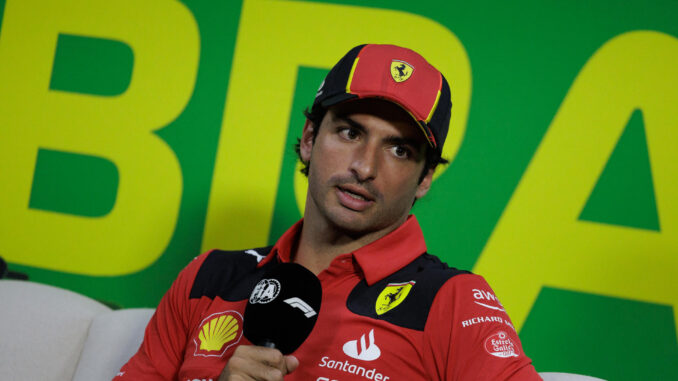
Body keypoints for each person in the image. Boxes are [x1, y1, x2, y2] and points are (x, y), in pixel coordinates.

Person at [114, 44, 541, 381]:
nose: (365, 167)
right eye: (350, 132)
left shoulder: (452, 301)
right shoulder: (208, 277)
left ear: (425, 177)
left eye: (399, 149)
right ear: (308, 138)